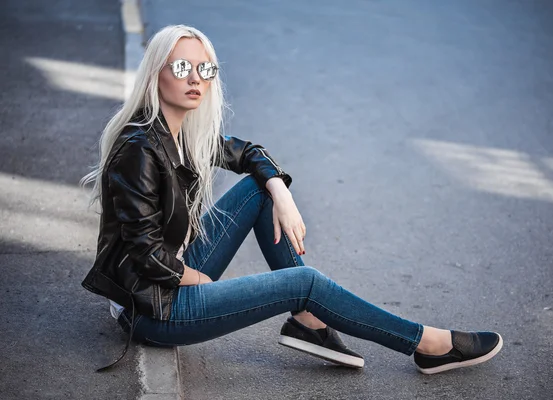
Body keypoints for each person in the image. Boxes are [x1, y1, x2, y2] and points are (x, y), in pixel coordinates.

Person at [80, 24, 502, 375]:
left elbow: (247, 154)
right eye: (183, 67)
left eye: (205, 68)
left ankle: (309, 322)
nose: (196, 78)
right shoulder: (139, 147)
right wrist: (197, 279)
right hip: (153, 309)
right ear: (157, 72)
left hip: (168, 279)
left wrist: (279, 190)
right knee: (305, 282)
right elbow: (142, 254)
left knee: (259, 189)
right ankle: (425, 343)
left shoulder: (182, 132)